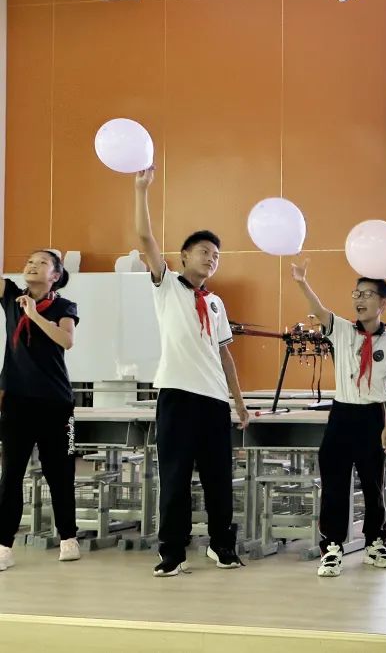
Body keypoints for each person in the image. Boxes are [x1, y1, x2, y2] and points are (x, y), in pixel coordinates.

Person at [134, 168, 248, 577]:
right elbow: (145, 237)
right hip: (177, 395)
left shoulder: (216, 303)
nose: (210, 258)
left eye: (215, 255)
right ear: (184, 256)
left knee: (219, 478)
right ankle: (173, 552)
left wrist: (239, 403)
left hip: (214, 401)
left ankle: (221, 545)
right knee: (176, 477)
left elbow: (225, 356)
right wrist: (141, 190)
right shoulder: (166, 285)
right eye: (203, 251)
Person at [292, 260, 386, 577]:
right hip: (342, 414)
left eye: (368, 294)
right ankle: (332, 547)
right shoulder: (341, 330)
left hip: (373, 415)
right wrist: (301, 281)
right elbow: (319, 309)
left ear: (383, 302)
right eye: (357, 294)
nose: (360, 299)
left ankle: (375, 544)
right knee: (335, 485)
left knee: (373, 484)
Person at [0, 250, 81, 571]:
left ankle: (68, 537)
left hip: (55, 403)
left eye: (42, 263)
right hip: (17, 401)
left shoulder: (64, 306)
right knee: (11, 475)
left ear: (55, 276)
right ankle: (4, 545)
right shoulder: (11, 296)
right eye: (29, 262)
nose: (33, 265)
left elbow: (67, 341)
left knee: (59, 473)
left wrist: (34, 315)